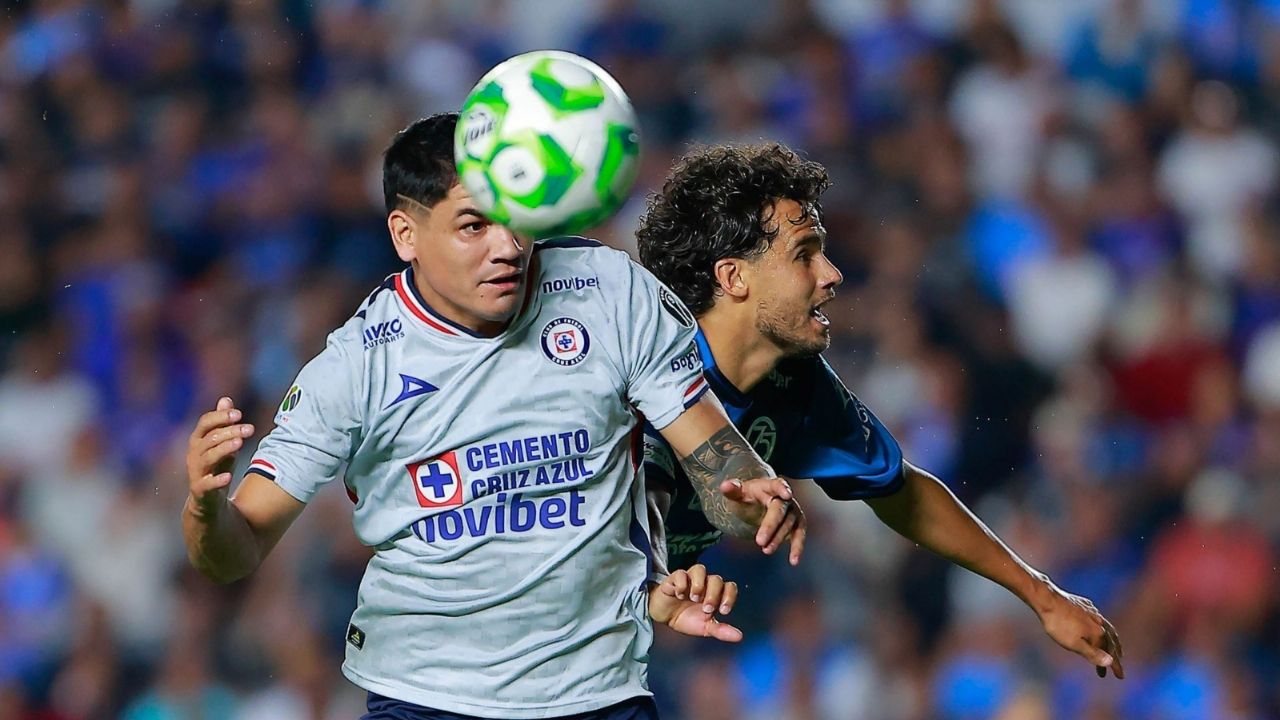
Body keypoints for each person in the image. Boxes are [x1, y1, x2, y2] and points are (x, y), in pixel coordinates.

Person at [181, 113, 806, 720]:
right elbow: (233, 555)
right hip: (424, 700)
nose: (507, 246)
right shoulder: (356, 365)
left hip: (598, 695)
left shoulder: (610, 293)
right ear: (405, 235)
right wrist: (205, 509)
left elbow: (720, 467)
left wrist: (754, 497)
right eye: (473, 225)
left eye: (518, 216)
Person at [635, 142, 1126, 680]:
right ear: (734, 278)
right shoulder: (637, 370)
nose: (832, 274)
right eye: (803, 255)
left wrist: (1043, 596)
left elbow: (900, 492)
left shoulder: (793, 379)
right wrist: (653, 580)